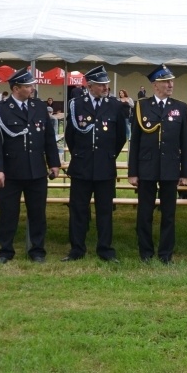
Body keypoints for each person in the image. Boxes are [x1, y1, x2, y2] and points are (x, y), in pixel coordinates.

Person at [0, 68, 60, 264]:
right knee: (8, 213)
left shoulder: (38, 106)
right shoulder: (0, 109)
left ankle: (37, 250)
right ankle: (5, 250)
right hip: (10, 171)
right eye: (28, 86)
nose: (32, 88)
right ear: (16, 88)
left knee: (37, 213)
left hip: (36, 169)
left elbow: (48, 138)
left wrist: (54, 163)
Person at [62, 66, 127, 262]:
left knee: (105, 211)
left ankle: (105, 249)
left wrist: (108, 156)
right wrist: (81, 155)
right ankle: (77, 249)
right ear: (89, 85)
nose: (105, 87)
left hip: (105, 167)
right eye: (101, 84)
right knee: (78, 210)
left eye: (106, 83)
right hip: (82, 166)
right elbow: (70, 136)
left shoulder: (114, 105)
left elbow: (121, 137)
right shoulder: (76, 104)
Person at [128, 64, 187, 264]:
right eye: (166, 81)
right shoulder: (142, 106)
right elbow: (135, 142)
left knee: (169, 214)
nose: (170, 84)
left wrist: (186, 172)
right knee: (145, 213)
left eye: (171, 81)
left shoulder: (179, 107)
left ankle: (166, 254)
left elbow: (185, 142)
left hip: (170, 168)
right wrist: (132, 172)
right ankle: (145, 252)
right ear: (155, 85)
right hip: (146, 167)